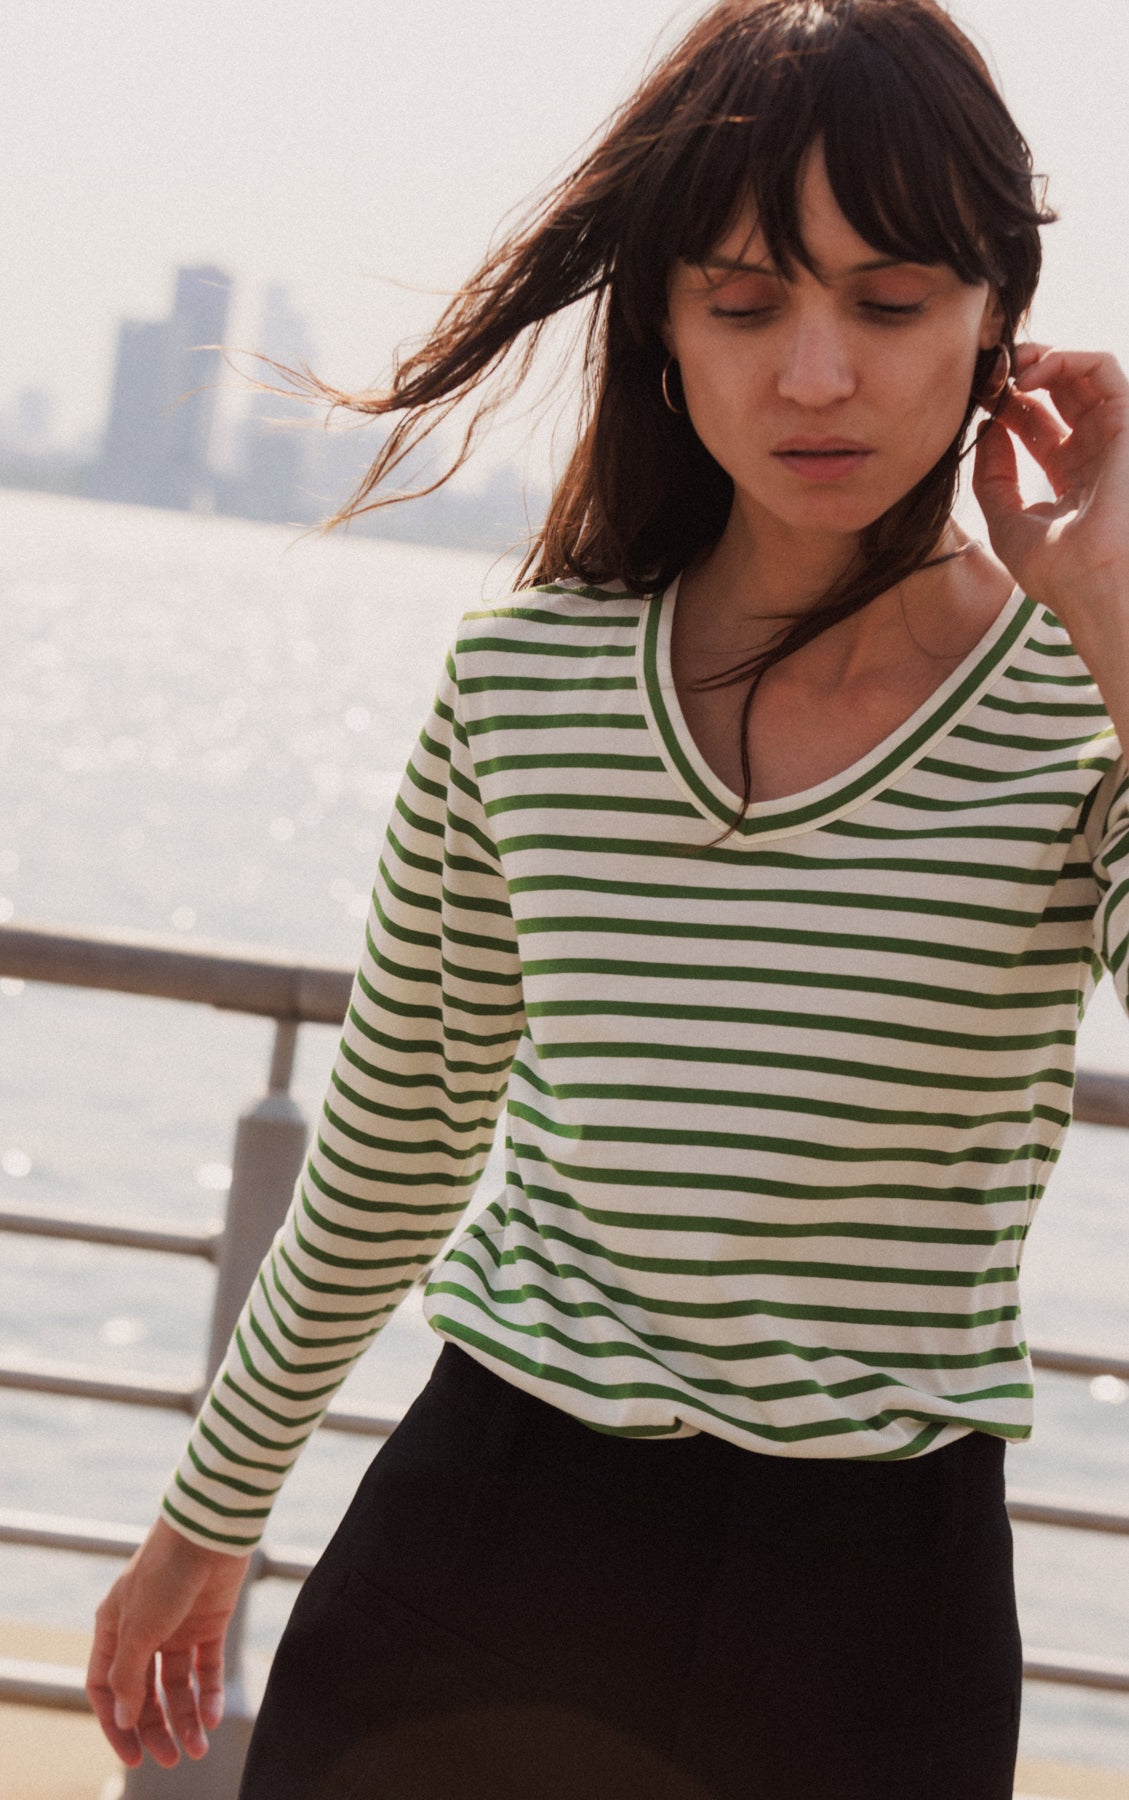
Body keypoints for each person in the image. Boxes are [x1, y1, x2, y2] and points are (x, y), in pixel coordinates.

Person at [86, 1, 1129, 1795]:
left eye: (889, 304)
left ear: (994, 320)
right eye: (743, 303)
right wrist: (209, 1509)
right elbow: (397, 1141)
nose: (815, 376)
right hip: (483, 1547)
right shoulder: (522, 685)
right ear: (658, 320)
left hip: (869, 1621)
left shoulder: (1083, 703)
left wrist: (1120, 629)